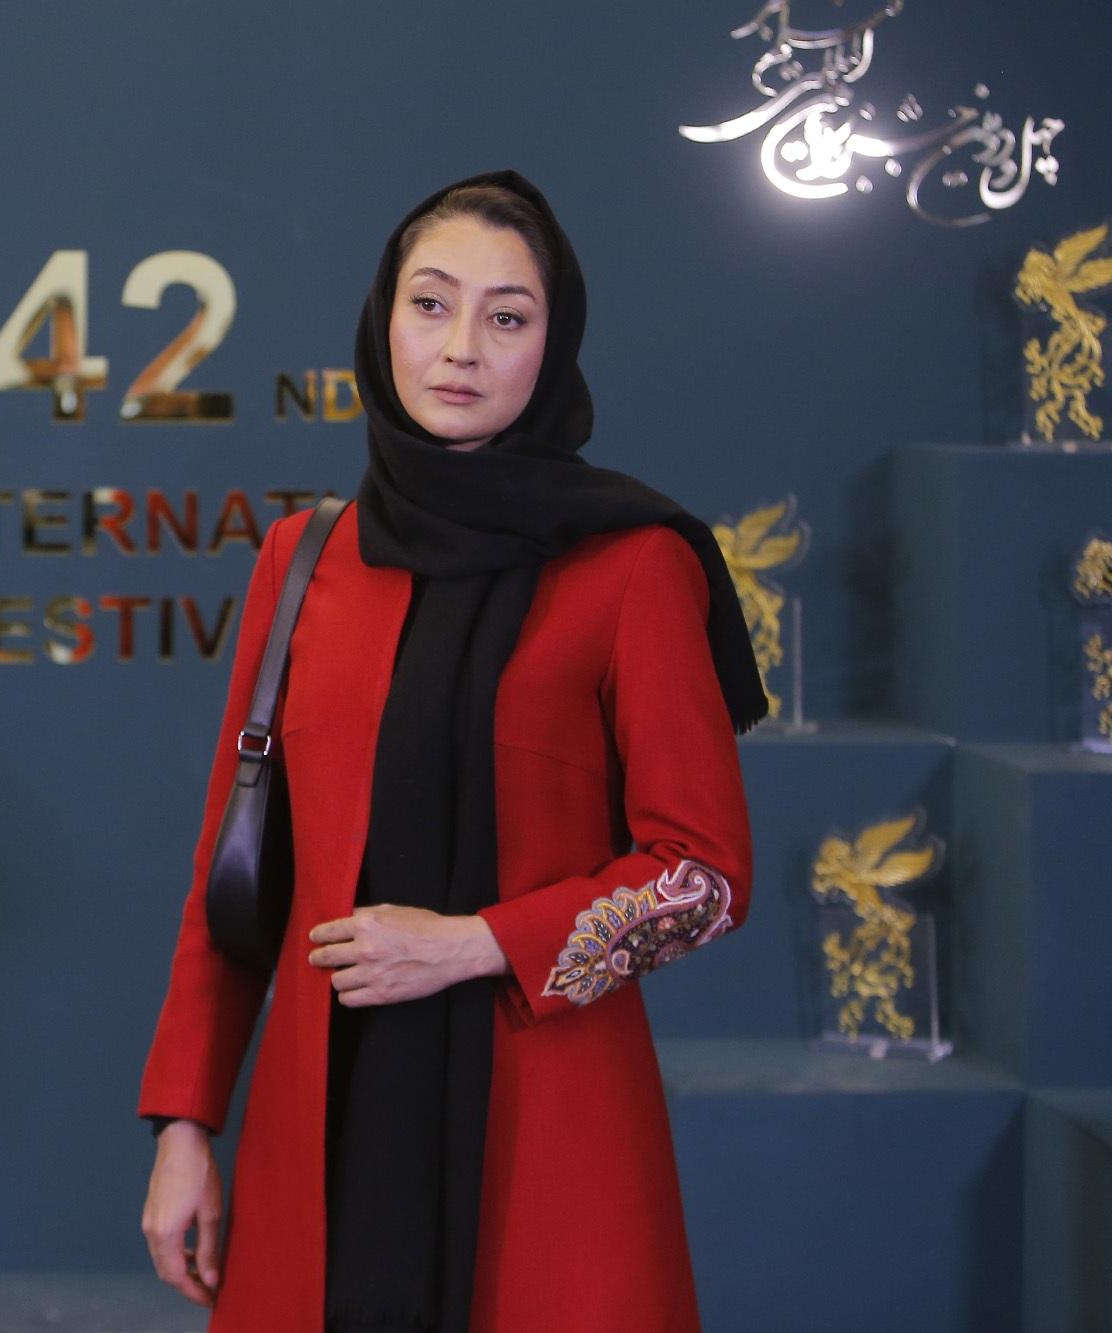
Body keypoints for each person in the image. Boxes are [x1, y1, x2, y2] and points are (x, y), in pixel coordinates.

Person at [135, 169, 767, 1333]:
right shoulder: (302, 558)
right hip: (321, 1117)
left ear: (552, 345)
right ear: (384, 322)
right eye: (429, 304)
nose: (459, 348)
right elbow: (235, 875)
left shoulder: (634, 566)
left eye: (505, 316)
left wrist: (476, 942)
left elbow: (705, 875)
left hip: (547, 1130)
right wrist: (186, 1123)